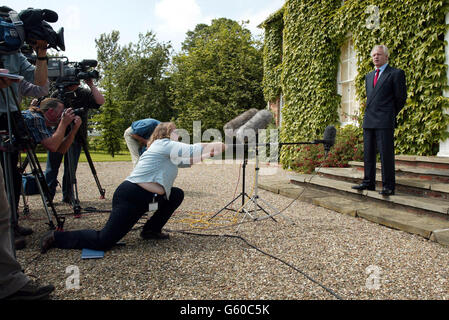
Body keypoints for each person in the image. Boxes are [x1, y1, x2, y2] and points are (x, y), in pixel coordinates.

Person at [40, 122, 226, 252]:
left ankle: (151, 230)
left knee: (176, 194)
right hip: (132, 196)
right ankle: (57, 237)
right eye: (176, 131)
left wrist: (210, 152)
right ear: (166, 133)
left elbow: (190, 160)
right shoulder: (164, 144)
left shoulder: (168, 150)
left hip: (147, 198)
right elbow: (193, 149)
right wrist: (216, 144)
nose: (179, 134)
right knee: (104, 240)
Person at [0, 73, 54, 300]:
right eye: (58, 113)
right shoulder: (36, 119)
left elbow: (40, 88)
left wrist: (41, 53)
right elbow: (54, 146)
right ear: (49, 111)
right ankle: (9, 282)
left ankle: (9, 281)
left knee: (2, 214)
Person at [0, 39, 49, 249]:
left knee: (12, 174)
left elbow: (39, 88)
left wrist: (41, 54)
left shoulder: (16, 54)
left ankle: (12, 223)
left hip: (10, 118)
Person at [352, 45, 407, 196]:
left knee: (385, 154)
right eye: (374, 55)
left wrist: (389, 113)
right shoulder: (369, 76)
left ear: (386, 57)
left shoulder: (396, 73)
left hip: (384, 119)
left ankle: (388, 186)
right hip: (369, 119)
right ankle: (368, 182)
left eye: (379, 54)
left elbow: (400, 98)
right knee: (368, 154)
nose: (376, 57)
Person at [45, 79, 105, 204]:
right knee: (52, 168)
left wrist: (91, 84)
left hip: (76, 135)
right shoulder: (58, 93)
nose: (75, 83)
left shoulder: (83, 92)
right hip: (57, 135)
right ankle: (48, 196)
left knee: (70, 169)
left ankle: (68, 195)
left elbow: (100, 101)